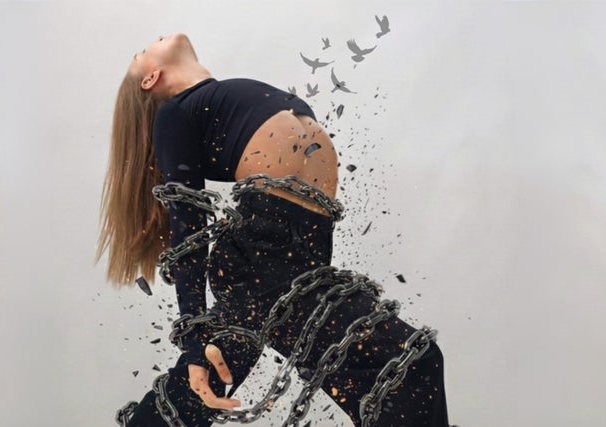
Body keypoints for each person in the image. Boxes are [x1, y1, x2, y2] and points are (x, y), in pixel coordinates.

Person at [96, 33, 449, 426]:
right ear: (151, 79)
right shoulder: (176, 113)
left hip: (306, 260)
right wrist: (194, 343)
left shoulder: (224, 96)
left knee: (409, 367)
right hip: (257, 262)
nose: (153, 41)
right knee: (412, 363)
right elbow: (187, 229)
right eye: (141, 53)